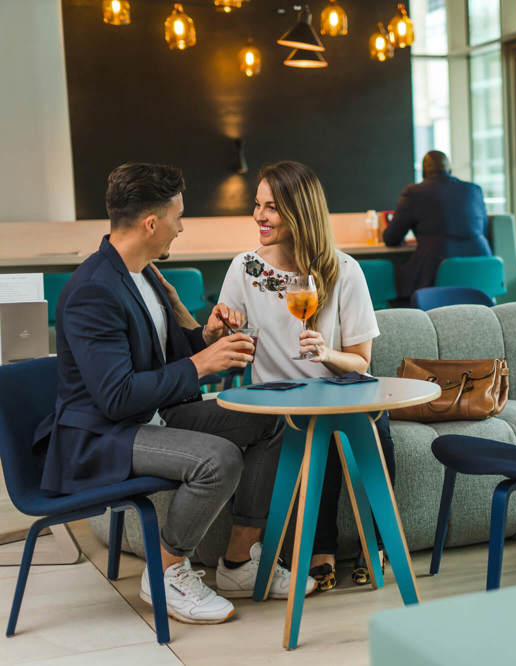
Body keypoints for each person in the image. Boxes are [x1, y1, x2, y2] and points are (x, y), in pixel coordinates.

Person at [33, 162, 313, 626]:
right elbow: (116, 397)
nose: (181, 228)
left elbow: (165, 352)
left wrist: (206, 336)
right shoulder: (92, 291)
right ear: (150, 223)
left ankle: (239, 563)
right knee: (217, 459)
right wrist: (201, 365)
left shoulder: (142, 274)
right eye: (177, 217)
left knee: (271, 419)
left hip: (147, 417)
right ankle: (166, 572)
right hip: (102, 436)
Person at [217, 160, 391, 591]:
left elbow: (361, 361)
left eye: (272, 207)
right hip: (276, 397)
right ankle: (320, 548)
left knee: (370, 424)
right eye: (257, 206)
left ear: (300, 212)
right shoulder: (245, 269)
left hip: (332, 387)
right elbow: (221, 332)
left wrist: (327, 353)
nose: (259, 216)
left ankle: (379, 545)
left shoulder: (343, 270)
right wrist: (219, 327)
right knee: (317, 423)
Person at [383, 150, 492, 302]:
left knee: (396, 283)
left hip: (437, 274)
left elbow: (391, 238)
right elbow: (483, 229)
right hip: (482, 273)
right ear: (450, 170)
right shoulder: (474, 190)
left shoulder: (414, 192)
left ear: (423, 173)